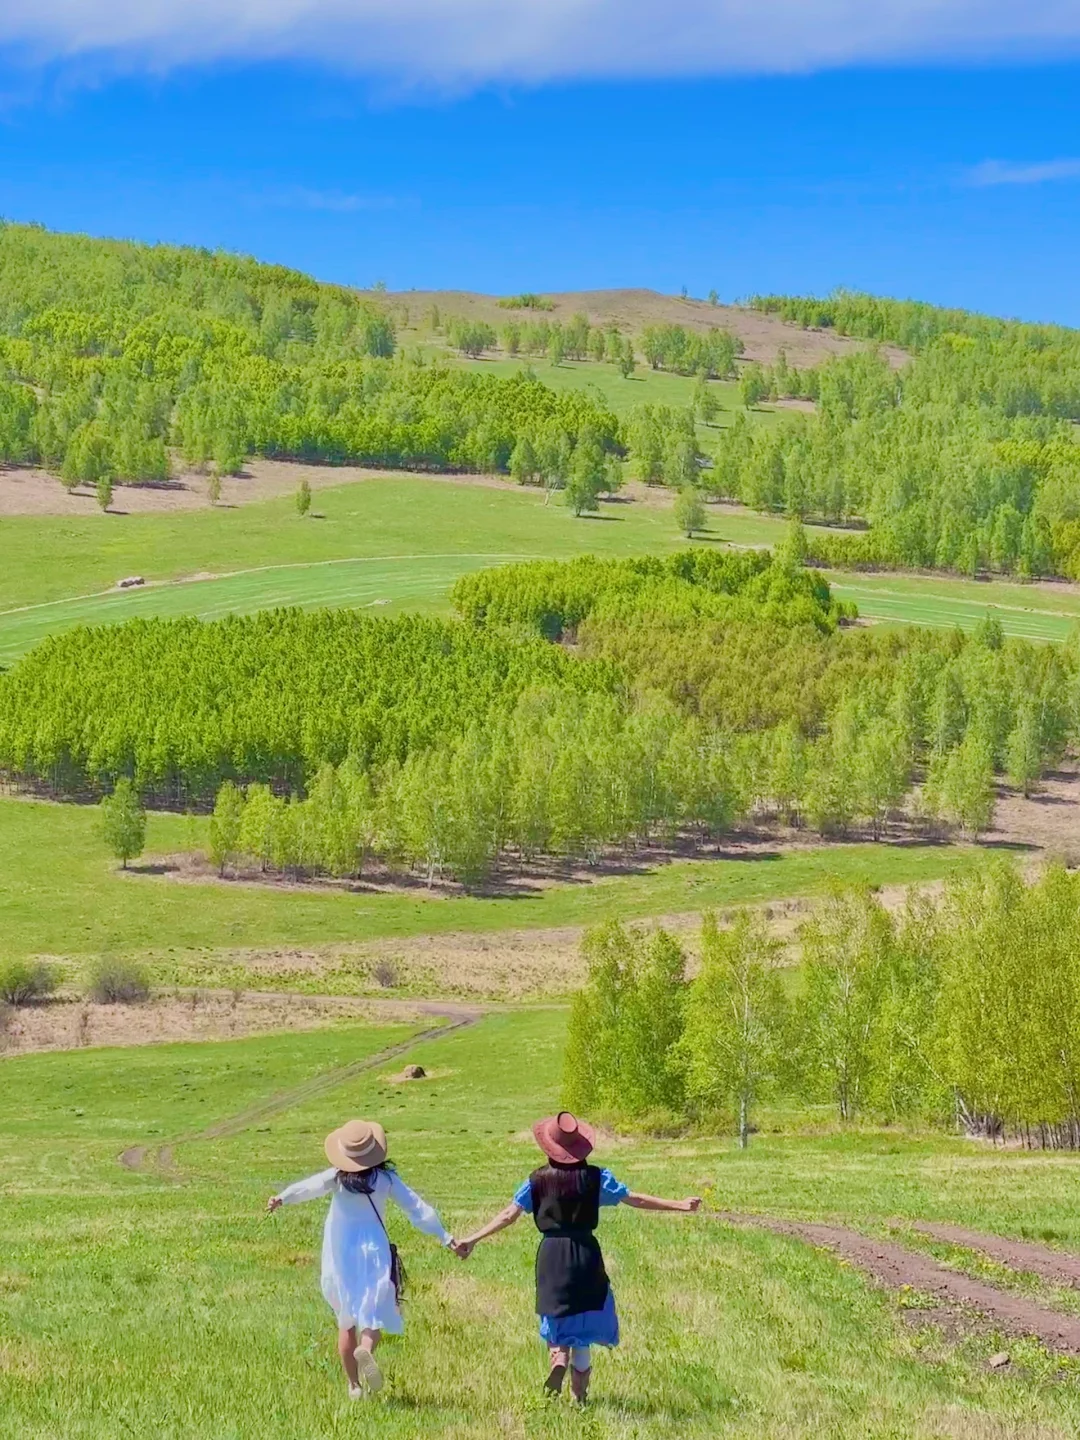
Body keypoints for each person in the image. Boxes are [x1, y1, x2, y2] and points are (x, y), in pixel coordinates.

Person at [458, 1111, 701, 1404]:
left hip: (552, 1255)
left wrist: (472, 1238)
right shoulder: (596, 1178)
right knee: (584, 1321)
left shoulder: (536, 1180)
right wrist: (679, 1205)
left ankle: (558, 1357)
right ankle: (580, 1398)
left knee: (556, 1311)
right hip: (585, 1253)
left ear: (549, 1146)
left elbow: (509, 1215)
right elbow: (634, 1198)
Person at [267, 1118, 466, 1400]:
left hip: (340, 1252)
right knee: (374, 1311)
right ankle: (367, 1350)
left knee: (345, 1318)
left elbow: (308, 1187)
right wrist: (446, 1237)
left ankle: (353, 1387)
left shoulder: (336, 1178)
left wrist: (282, 1198)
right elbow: (417, 1208)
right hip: (373, 1250)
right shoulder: (384, 1179)